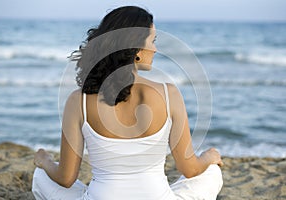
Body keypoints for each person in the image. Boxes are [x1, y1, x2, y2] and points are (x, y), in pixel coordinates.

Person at [32, 5, 223, 200]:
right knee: (212, 173)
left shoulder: (78, 101)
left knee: (40, 176)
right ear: (136, 48)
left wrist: (45, 160)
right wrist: (210, 157)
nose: (155, 49)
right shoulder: (169, 93)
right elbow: (189, 169)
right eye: (152, 41)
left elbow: (66, 178)